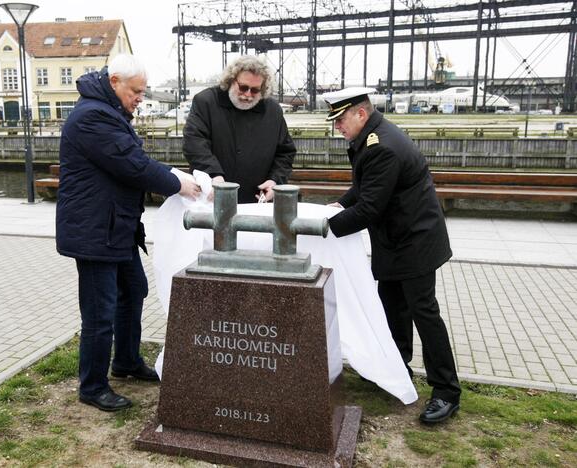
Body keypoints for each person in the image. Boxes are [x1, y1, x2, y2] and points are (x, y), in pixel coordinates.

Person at [56, 54, 200, 412]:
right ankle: (92, 386)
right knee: (99, 312)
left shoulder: (108, 112)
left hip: (115, 227)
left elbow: (133, 159)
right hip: (95, 232)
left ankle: (126, 361)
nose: (140, 98)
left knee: (134, 290)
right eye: (135, 91)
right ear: (115, 80)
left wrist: (171, 173)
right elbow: (132, 165)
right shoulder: (92, 116)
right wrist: (178, 184)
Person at [323, 87, 461, 424]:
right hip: (397, 241)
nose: (337, 127)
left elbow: (370, 207)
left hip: (414, 243)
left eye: (340, 119)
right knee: (392, 307)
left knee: (423, 313)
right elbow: (364, 188)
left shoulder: (381, 146)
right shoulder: (373, 137)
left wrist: (324, 228)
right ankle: (397, 369)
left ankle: (446, 392)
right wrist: (340, 205)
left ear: (361, 113)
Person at [183, 55, 296, 203]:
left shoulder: (272, 111)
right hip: (212, 197)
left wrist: (275, 181)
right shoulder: (206, 102)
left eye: (255, 90)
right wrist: (214, 175)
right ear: (231, 80)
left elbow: (285, 153)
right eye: (243, 87)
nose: (248, 95)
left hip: (256, 200)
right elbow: (194, 143)